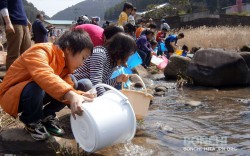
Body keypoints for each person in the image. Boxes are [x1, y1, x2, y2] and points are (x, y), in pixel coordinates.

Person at [0, 29, 94, 141]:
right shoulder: (40, 50)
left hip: (34, 92)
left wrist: (83, 96)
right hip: (12, 96)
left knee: (71, 82)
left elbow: (66, 86)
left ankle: (46, 116)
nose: (82, 63)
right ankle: (32, 121)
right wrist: (71, 95)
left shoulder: (64, 65)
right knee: (37, 86)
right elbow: (43, 74)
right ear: (69, 49)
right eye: (83, 58)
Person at [0, 0, 31, 70]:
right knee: (14, 54)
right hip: (14, 22)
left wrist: (27, 20)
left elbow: (19, 8)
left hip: (23, 23)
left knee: (26, 53)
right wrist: (8, 22)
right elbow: (2, 4)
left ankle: (22, 76)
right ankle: (11, 78)